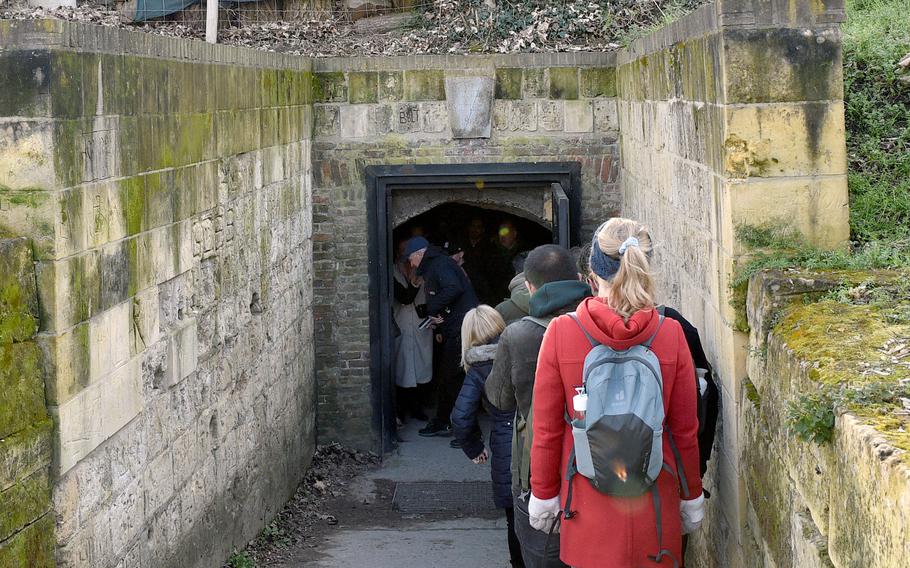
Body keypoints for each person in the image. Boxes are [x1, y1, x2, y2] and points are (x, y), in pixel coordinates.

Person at [528, 218, 704, 568]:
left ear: (591, 272)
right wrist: (691, 498)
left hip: (586, 508)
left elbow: (546, 431)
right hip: (655, 505)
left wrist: (544, 496)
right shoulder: (670, 333)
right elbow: (685, 431)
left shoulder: (563, 333)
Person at [485, 244, 591, 568]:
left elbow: (498, 398)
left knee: (542, 556)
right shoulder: (597, 325)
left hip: (536, 469)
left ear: (530, 287)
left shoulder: (517, 335)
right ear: (579, 278)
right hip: (596, 460)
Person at [450, 305, 525, 568]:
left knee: (514, 518)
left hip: (506, 445)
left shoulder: (478, 368)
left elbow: (460, 417)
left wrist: (474, 448)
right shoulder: (521, 350)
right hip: (535, 436)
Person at [404, 236, 480, 438]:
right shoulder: (438, 263)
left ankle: (470, 431)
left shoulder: (439, 264)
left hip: (461, 330)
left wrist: (434, 307)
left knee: (454, 379)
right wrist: (442, 317)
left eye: (411, 259)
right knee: (448, 378)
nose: (411, 263)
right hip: (455, 326)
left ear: (420, 254)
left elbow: (454, 288)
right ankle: (443, 421)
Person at [392, 239, 432, 422]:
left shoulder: (424, 270)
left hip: (420, 324)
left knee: (420, 366)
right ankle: (400, 409)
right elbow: (404, 297)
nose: (405, 256)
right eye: (402, 252)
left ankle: (418, 407)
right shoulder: (391, 271)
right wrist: (414, 285)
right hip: (401, 324)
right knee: (402, 367)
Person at [458, 217, 496, 304]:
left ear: (482, 230)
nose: (475, 229)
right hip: (463, 288)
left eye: (478, 227)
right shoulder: (461, 244)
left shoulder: (489, 247)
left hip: (483, 291)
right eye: (473, 226)